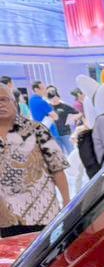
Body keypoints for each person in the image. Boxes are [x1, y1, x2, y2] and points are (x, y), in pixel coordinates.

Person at [0, 86, 69, 237]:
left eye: (3, 99)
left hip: (43, 213)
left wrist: (66, 202)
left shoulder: (37, 129)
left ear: (14, 102)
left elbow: (57, 168)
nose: (1, 105)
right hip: (7, 220)